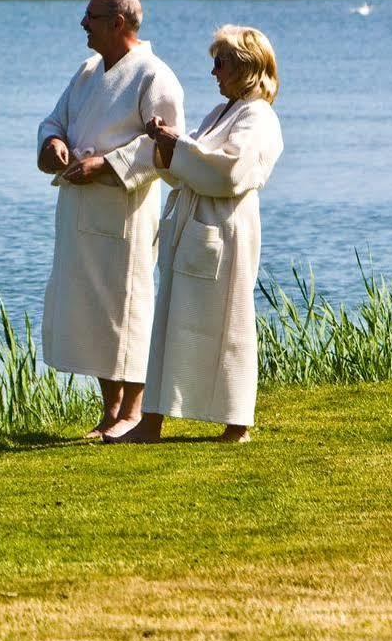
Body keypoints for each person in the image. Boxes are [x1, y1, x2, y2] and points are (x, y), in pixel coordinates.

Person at [108, 25, 284, 445]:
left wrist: (177, 145)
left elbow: (230, 172)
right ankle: (152, 421)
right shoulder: (222, 112)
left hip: (225, 228)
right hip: (194, 225)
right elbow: (189, 164)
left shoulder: (258, 117)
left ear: (244, 67)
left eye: (219, 63)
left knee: (229, 324)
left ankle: (236, 423)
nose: (213, 72)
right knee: (172, 321)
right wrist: (166, 146)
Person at [36, 0, 185, 440]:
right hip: (78, 210)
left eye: (91, 17)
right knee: (91, 309)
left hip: (125, 210)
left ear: (117, 23)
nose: (83, 24)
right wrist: (53, 143)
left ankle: (134, 411)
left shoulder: (155, 76)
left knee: (127, 306)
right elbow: (54, 120)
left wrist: (105, 163)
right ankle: (110, 410)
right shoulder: (86, 71)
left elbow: (164, 144)